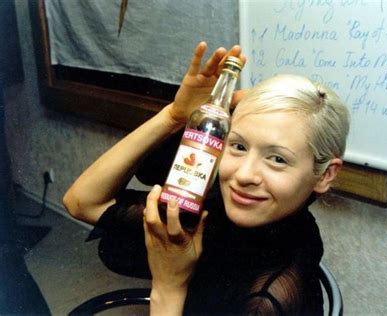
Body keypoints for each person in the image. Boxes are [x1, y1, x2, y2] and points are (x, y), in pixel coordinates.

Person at [64, 41, 349, 315]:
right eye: (238, 146)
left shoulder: (269, 298)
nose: (243, 175)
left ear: (325, 175)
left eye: (277, 159)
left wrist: (169, 286)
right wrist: (174, 116)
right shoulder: (217, 214)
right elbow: (83, 202)